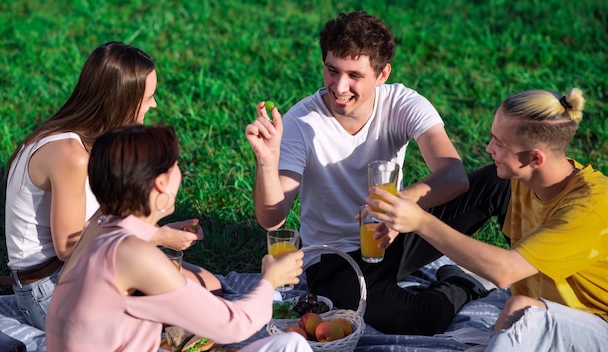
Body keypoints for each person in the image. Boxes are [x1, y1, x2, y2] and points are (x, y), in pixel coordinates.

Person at [245, 11, 510, 335]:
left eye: (354, 75)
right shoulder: (301, 122)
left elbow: (454, 175)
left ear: (382, 73)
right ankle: (459, 283)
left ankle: (535, 278)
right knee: (417, 320)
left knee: (500, 181)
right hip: (336, 260)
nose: (339, 87)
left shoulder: (401, 103)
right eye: (332, 70)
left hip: (394, 230)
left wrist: (400, 205)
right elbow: (272, 219)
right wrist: (267, 162)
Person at [368, 88, 608, 349]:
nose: (488, 148)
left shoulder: (589, 209)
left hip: (598, 326)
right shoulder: (524, 181)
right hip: (550, 312)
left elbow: (504, 271)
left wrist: (421, 222)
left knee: (522, 311)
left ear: (534, 158)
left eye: (499, 143)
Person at [3, 41, 220, 330]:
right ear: (122, 100)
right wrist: (156, 236)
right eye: (148, 97)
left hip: (74, 271)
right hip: (50, 291)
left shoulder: (82, 140)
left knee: (210, 287)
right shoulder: (71, 155)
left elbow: (94, 225)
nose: (154, 104)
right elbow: (69, 248)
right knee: (198, 305)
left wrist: (154, 229)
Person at [45, 124, 311, 351]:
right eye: (175, 166)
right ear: (161, 183)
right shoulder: (134, 255)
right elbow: (233, 325)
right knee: (291, 346)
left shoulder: (97, 231)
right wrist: (270, 280)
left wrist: (160, 233)